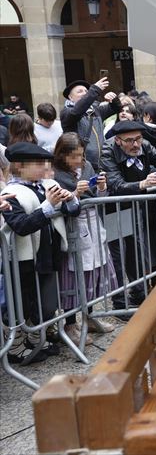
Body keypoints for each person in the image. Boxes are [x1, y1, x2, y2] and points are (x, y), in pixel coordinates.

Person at [1, 142, 79, 363]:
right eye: (37, 163)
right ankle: (16, 347)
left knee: (46, 303)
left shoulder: (48, 185)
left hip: (49, 255)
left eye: (43, 162)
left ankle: (37, 339)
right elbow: (21, 225)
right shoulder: (10, 193)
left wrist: (71, 199)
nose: (43, 167)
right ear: (19, 167)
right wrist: (47, 206)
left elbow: (73, 210)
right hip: (22, 260)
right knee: (20, 305)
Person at [100, 120, 156, 311]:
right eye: (129, 141)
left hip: (139, 208)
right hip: (116, 209)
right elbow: (115, 184)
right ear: (118, 141)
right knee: (119, 255)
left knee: (137, 250)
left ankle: (139, 293)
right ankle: (119, 303)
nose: (135, 144)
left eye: (138, 138)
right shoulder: (107, 151)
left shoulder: (144, 146)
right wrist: (142, 185)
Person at [52, 132, 117, 344]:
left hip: (92, 224)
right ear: (62, 155)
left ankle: (89, 317)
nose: (79, 160)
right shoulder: (55, 174)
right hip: (72, 228)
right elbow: (62, 205)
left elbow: (100, 199)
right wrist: (76, 194)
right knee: (74, 276)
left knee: (93, 274)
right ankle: (70, 323)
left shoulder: (87, 166)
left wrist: (100, 187)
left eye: (80, 155)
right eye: (74, 156)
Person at [60, 77, 122, 172]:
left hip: (102, 163)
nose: (85, 93)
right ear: (70, 97)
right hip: (81, 165)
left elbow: (116, 108)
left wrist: (114, 99)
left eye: (86, 91)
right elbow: (77, 112)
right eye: (80, 91)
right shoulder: (67, 112)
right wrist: (94, 90)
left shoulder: (96, 110)